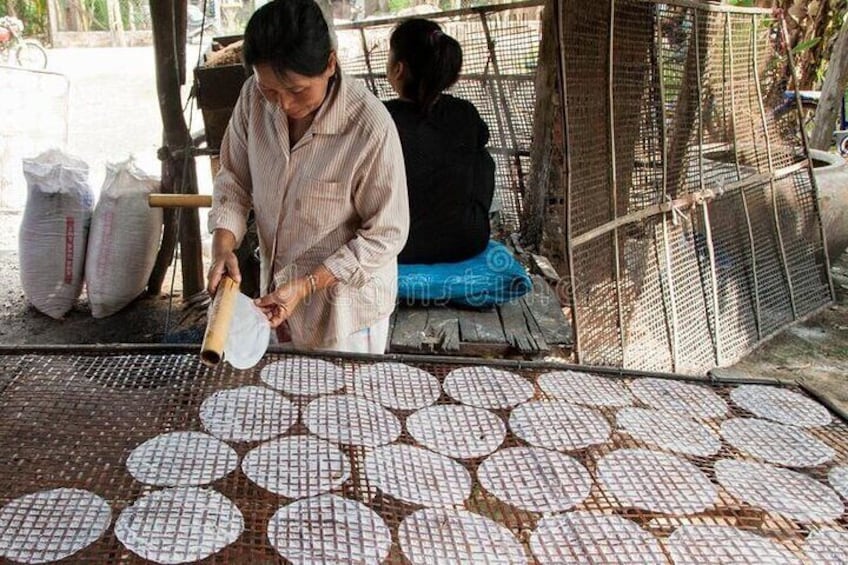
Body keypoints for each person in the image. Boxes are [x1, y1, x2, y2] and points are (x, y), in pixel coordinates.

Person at [207, 0, 409, 354]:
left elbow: (386, 233)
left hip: (345, 313)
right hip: (279, 297)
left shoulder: (369, 128)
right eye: (270, 89)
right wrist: (223, 247)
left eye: (298, 90)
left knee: (345, 405)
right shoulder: (253, 99)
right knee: (288, 402)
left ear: (330, 64)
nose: (282, 104)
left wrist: (308, 284)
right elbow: (234, 179)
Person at [384, 18, 495, 265]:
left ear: (398, 69)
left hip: (398, 246)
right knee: (481, 157)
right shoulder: (465, 112)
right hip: (467, 242)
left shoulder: (381, 118)